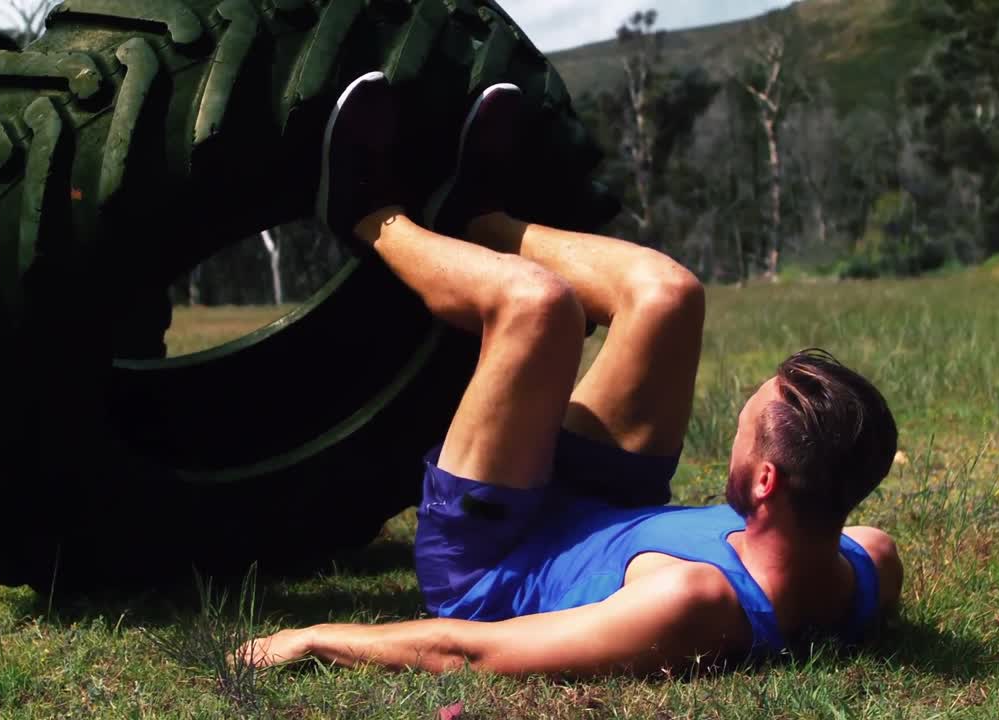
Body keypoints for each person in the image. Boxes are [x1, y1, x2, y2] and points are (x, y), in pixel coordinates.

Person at [238, 72, 904, 678]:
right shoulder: (870, 560)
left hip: (494, 561)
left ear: (765, 481)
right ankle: (479, 218)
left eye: (743, 427)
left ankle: (368, 215)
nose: (732, 430)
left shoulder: (691, 604)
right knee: (670, 296)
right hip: (607, 507)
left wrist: (314, 637)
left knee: (539, 308)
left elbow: (470, 651)